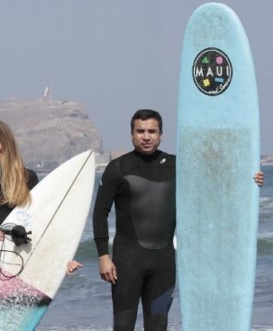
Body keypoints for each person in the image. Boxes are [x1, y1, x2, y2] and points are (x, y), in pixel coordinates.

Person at [92, 108, 264, 331]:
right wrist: (103, 256)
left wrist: (251, 179)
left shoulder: (177, 165)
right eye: (140, 131)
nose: (146, 136)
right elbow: (100, 212)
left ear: (161, 134)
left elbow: (215, 184)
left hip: (163, 263)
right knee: (123, 326)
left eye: (152, 131)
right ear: (132, 134)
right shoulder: (118, 168)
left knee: (158, 326)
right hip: (127, 262)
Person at [0, 118, 82, 274]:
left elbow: (43, 221)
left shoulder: (27, 177)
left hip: (24, 254)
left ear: (7, 142)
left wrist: (64, 258)